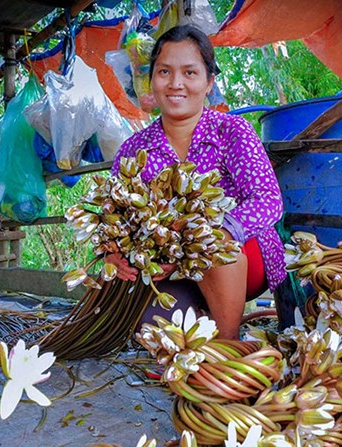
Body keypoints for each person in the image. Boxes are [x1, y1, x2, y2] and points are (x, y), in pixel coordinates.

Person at [109, 25, 286, 339]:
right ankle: (207, 321)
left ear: (209, 82)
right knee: (159, 332)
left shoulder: (231, 131)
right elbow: (115, 219)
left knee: (211, 240)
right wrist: (118, 254)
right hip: (170, 274)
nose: (176, 83)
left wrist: (211, 234)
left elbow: (268, 199)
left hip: (240, 260)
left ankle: (228, 345)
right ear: (152, 79)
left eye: (190, 73)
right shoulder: (134, 150)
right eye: (164, 71)